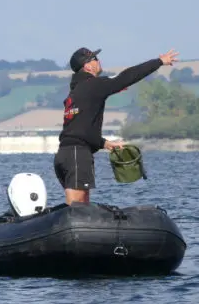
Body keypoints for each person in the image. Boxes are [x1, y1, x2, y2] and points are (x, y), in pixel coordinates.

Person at [54, 46, 179, 205]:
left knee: (81, 206)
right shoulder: (93, 85)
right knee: (76, 206)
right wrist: (159, 62)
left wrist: (104, 144)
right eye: (95, 59)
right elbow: (127, 77)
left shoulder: (76, 91)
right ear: (88, 66)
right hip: (78, 154)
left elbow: (80, 128)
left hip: (64, 154)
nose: (99, 61)